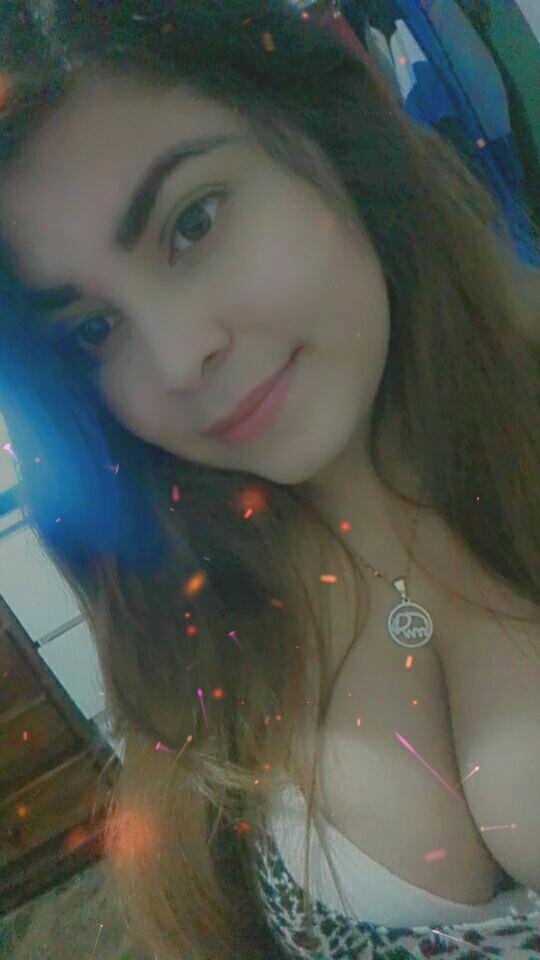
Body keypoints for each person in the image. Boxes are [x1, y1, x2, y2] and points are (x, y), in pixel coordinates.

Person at [0, 2, 538, 959]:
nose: (179, 358)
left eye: (193, 222)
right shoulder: (184, 613)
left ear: (322, 131)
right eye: (94, 330)